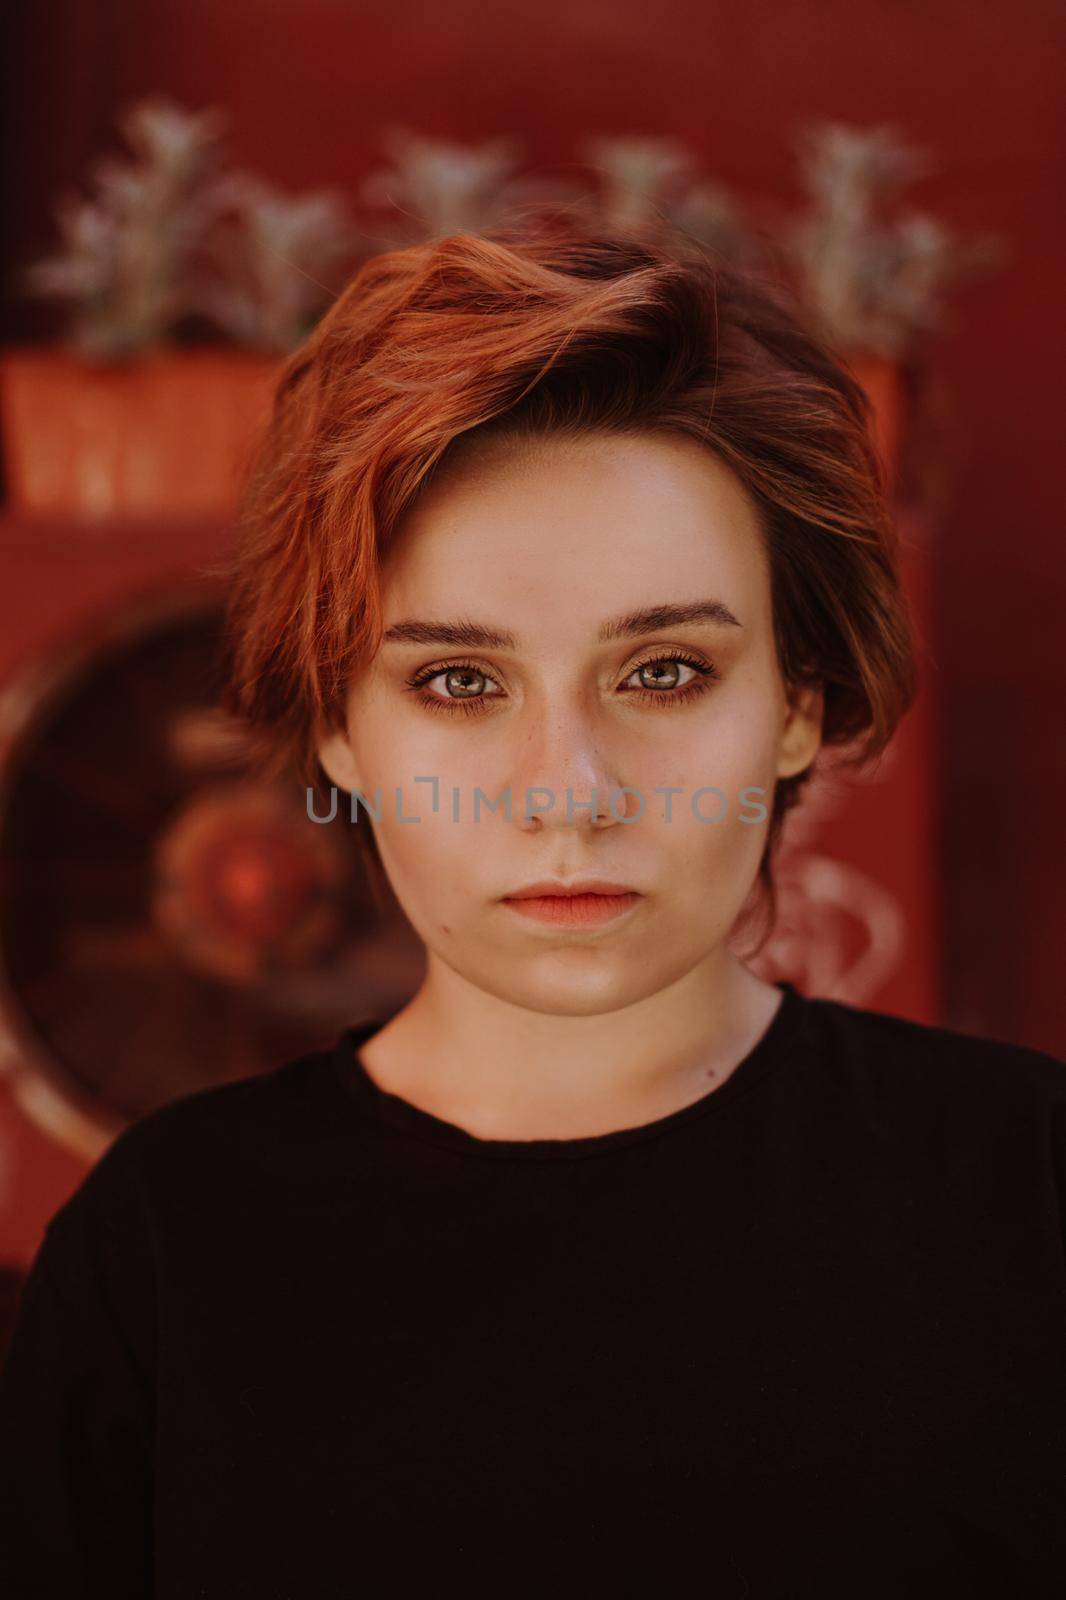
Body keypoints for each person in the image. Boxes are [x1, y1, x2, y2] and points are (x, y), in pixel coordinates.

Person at [1, 218, 1064, 1599]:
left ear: (797, 707)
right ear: (335, 729)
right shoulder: (160, 1254)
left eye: (666, 671)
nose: (567, 793)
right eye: (457, 682)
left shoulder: (1029, 1196)